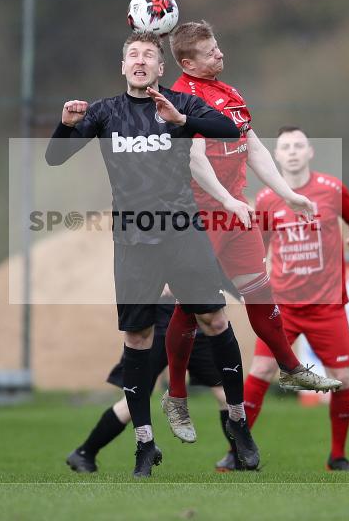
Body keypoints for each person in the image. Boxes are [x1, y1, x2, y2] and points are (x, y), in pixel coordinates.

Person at [45, 31, 259, 477]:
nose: (140, 60)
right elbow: (54, 158)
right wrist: (66, 124)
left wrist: (182, 119)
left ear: (162, 68)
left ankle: (238, 422)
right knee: (138, 340)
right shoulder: (105, 112)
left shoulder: (181, 105)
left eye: (148, 55)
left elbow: (232, 128)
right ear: (123, 66)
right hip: (134, 243)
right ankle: (144, 443)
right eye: (133, 55)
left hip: (184, 234)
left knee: (215, 320)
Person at [161, 21, 340, 449]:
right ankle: (177, 395)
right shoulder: (178, 99)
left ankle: (291, 367)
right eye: (209, 52)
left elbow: (253, 146)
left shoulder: (230, 94)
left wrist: (288, 193)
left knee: (261, 293)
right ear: (188, 63)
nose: (219, 55)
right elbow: (194, 160)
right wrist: (226, 201)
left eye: (218, 47)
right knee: (192, 310)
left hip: (234, 211)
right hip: (198, 217)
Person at [218, 125, 349, 472]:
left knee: (342, 380)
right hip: (281, 305)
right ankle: (237, 451)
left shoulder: (331, 189)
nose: (293, 152)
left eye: (299, 145)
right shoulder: (269, 199)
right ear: (277, 155)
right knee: (261, 370)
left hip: (327, 305)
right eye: (285, 147)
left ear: (310, 151)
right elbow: (257, 247)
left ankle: (338, 456)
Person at [66, 289, 236, 473]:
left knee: (223, 391)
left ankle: (239, 455)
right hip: (159, 324)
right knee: (132, 401)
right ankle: (85, 452)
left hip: (195, 321)